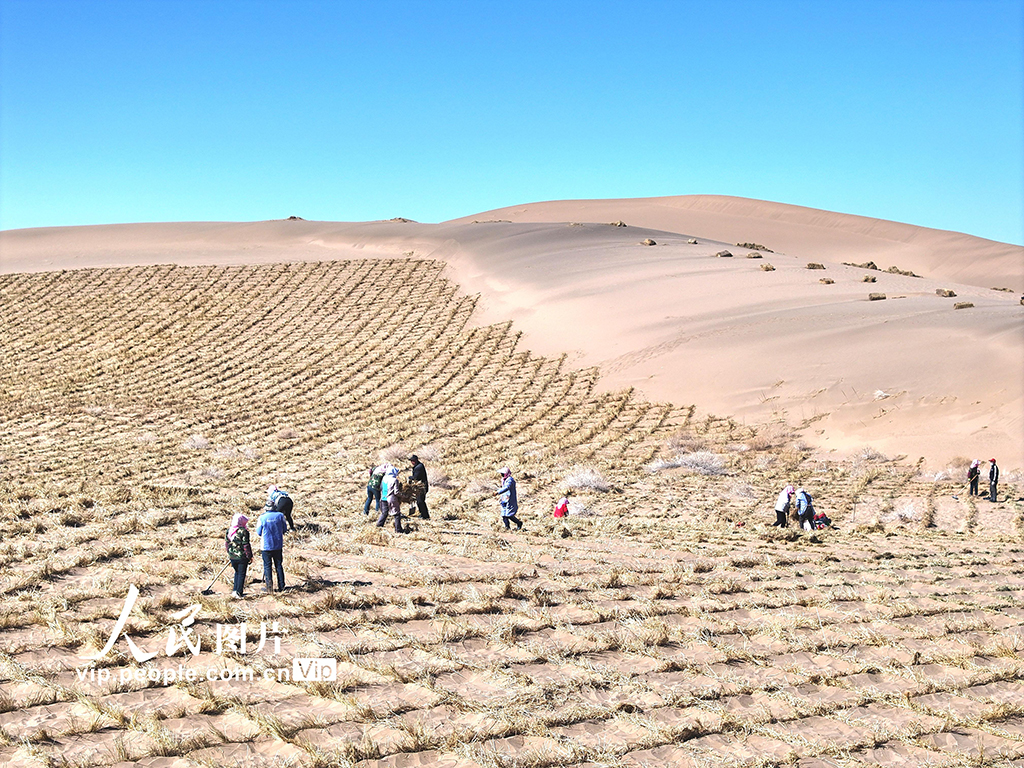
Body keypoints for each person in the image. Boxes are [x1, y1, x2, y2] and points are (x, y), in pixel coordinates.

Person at [256, 500, 288, 593]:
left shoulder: (262, 517)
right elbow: (285, 529)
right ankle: (282, 586)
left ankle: (269, 587)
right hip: (278, 545)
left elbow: (258, 532)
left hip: (266, 546)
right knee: (279, 565)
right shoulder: (280, 516)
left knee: (267, 566)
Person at [224, 513, 253, 599]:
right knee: (241, 574)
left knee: (237, 572)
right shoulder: (243, 531)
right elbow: (246, 545)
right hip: (241, 556)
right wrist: (249, 556)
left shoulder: (229, 530)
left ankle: (235, 590)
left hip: (232, 556)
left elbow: (227, 543)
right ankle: (239, 592)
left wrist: (229, 553)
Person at [376, 463, 405, 532]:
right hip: (391, 499)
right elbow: (396, 492)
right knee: (397, 514)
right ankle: (398, 529)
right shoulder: (394, 480)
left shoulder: (384, 479)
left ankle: (379, 525)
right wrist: (403, 496)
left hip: (383, 498)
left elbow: (381, 488)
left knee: (384, 513)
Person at [408, 455, 430, 519]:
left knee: (420, 501)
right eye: (411, 461)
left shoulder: (419, 467)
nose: (412, 462)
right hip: (419, 487)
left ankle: (425, 515)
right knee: (419, 501)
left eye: (413, 461)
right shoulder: (418, 466)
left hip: (422, 487)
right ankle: (423, 514)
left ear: (416, 460)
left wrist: (410, 477)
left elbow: (416, 477)